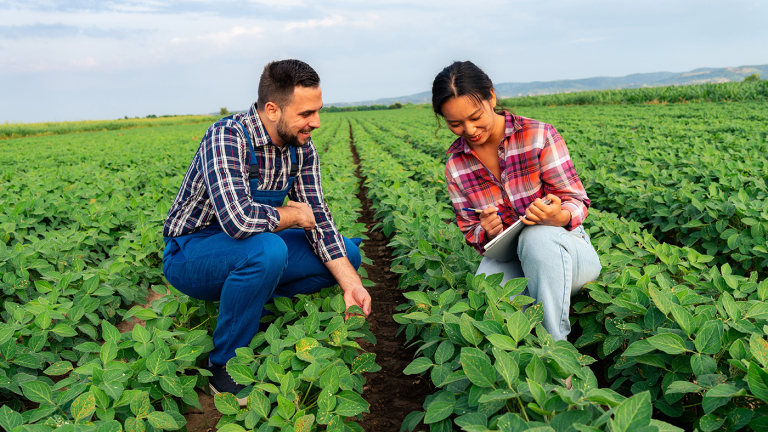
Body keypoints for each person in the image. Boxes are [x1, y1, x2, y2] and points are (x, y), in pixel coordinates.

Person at [162, 59, 372, 404]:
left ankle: (248, 302)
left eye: (318, 111)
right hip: (192, 253)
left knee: (347, 254)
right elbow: (238, 221)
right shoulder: (227, 136)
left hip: (251, 245)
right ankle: (225, 363)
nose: (315, 123)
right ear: (272, 110)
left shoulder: (300, 147)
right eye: (306, 113)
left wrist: (352, 285)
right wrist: (291, 213)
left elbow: (316, 216)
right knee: (267, 250)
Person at [432, 61, 601, 341]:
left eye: (476, 116)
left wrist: (556, 217)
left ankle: (556, 352)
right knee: (486, 288)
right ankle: (518, 353)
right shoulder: (456, 166)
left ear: (492, 97)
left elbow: (576, 199)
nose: (470, 129)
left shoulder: (539, 135)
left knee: (537, 238)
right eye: (455, 124)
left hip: (567, 252)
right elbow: (470, 230)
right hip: (513, 256)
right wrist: (487, 230)